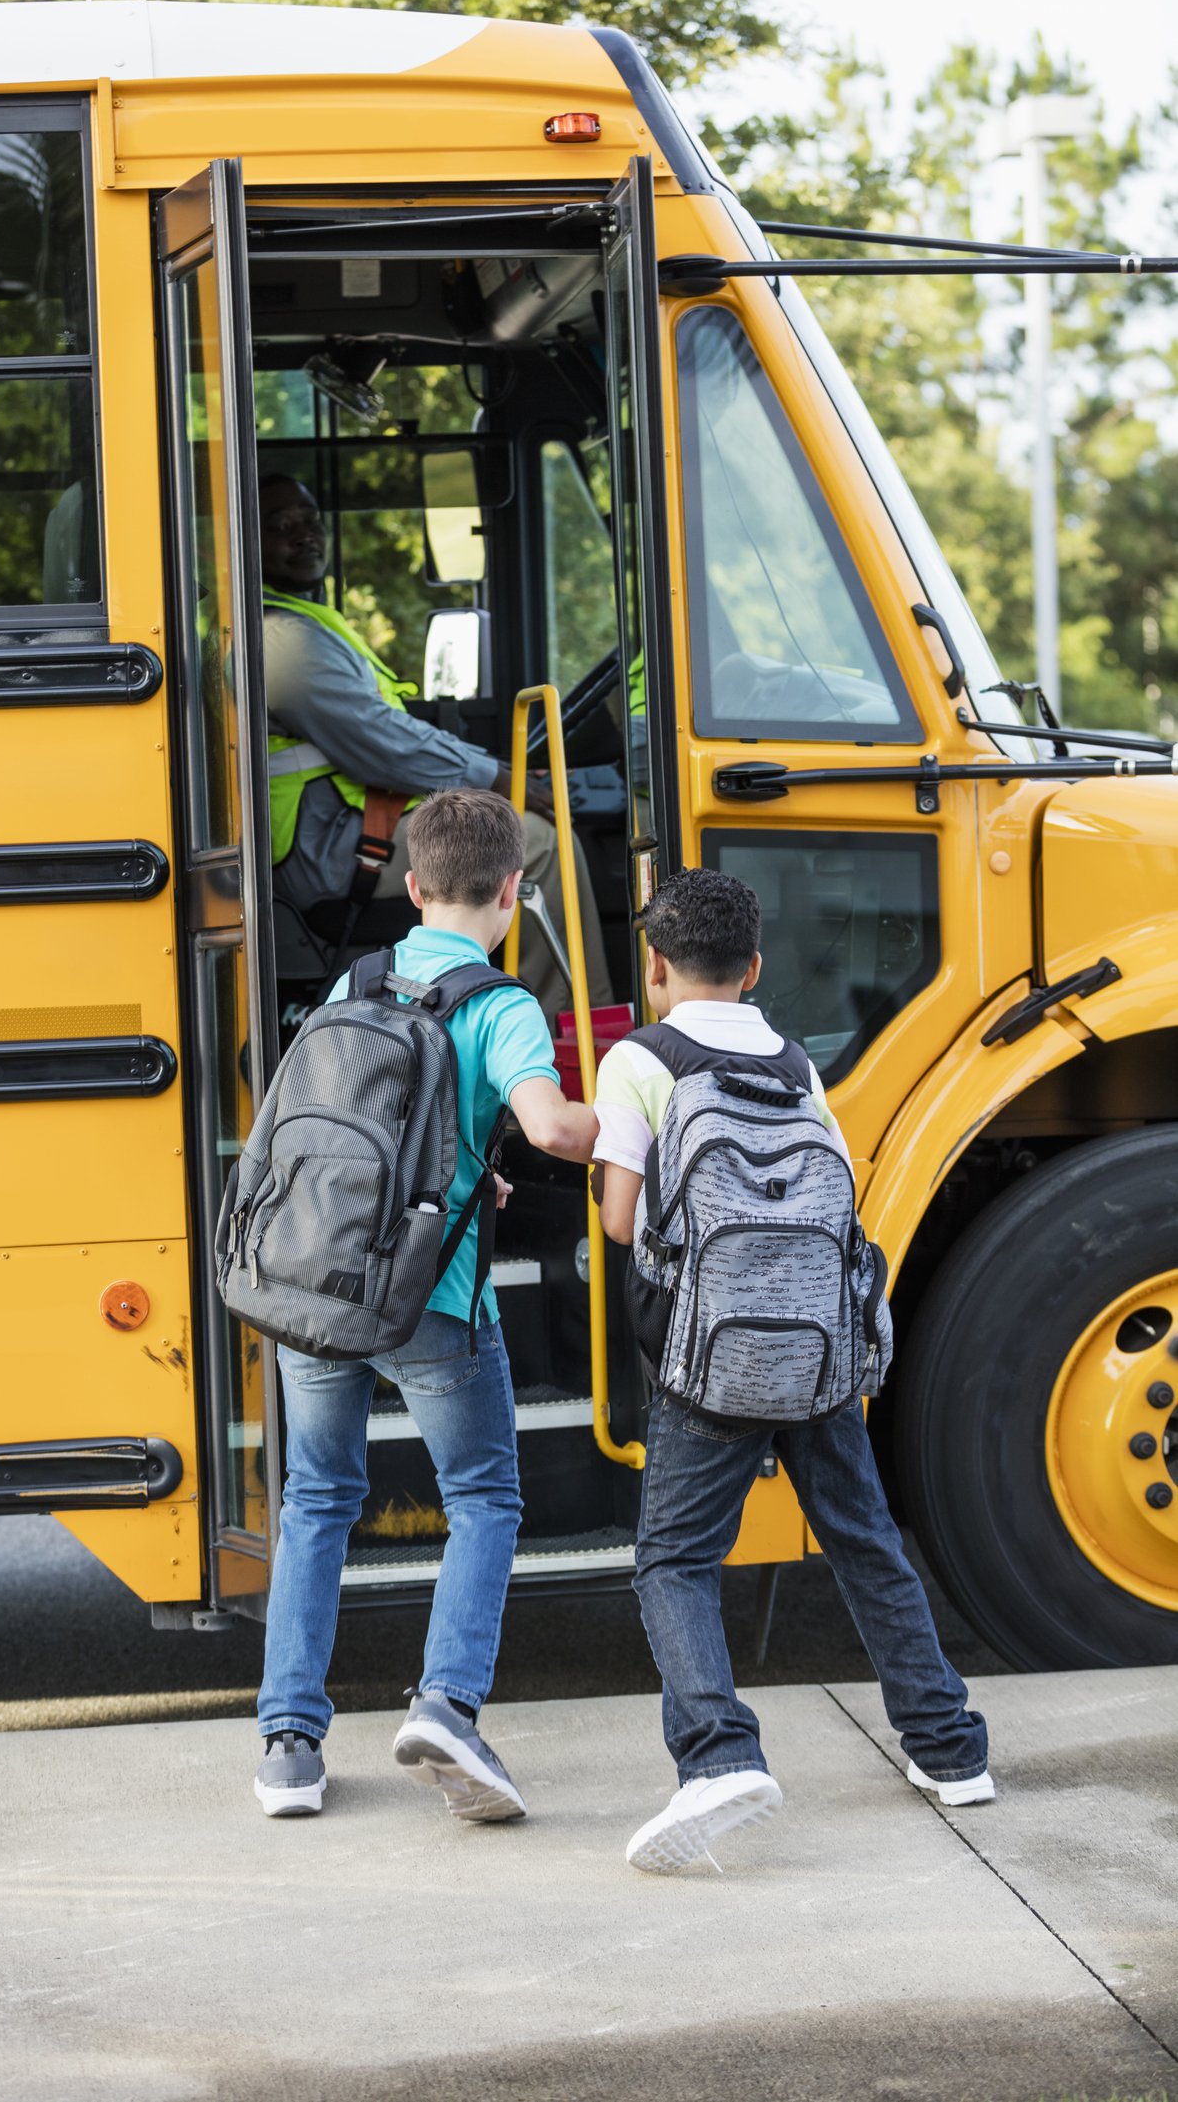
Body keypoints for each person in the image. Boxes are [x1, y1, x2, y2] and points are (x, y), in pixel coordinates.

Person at [593, 867, 994, 1876]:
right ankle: (949, 1750)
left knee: (675, 1561)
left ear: (654, 965)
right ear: (755, 967)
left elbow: (620, 1220)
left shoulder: (638, 1058)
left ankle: (718, 1755)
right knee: (863, 1541)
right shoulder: (792, 1060)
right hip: (817, 1353)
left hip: (708, 1362)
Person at [255, 788, 599, 1822]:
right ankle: (446, 1703)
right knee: (484, 1497)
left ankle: (288, 1748)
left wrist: (469, 1172)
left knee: (317, 1499)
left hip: (313, 1280)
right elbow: (552, 1130)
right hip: (430, 1299)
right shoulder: (500, 1006)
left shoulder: (354, 983)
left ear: (411, 887)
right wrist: (642, 1112)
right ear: (513, 890)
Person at [260, 471, 612, 1018]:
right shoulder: (279, 638)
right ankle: (557, 1033)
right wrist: (498, 777)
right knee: (538, 841)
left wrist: (492, 771)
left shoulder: (294, 619)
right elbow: (381, 741)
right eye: (282, 526)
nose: (305, 535)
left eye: (310, 520)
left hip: (337, 825)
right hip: (324, 847)